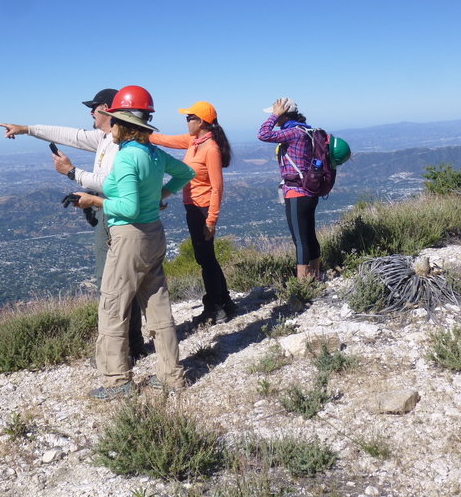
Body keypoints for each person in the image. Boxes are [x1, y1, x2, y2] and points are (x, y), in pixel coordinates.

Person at [0, 89, 148, 361]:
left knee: (111, 283)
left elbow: (111, 186)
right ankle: (131, 343)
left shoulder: (119, 144)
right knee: (122, 281)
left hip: (114, 214)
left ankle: (121, 350)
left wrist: (73, 174)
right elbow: (70, 135)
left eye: (93, 107)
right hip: (109, 211)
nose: (90, 113)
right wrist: (27, 129)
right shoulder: (107, 138)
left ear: (106, 108)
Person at [70, 85, 195, 399]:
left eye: (112, 120)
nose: (109, 126)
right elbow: (185, 172)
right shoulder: (152, 152)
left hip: (130, 236)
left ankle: (117, 381)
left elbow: (126, 207)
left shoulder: (127, 158)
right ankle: (171, 376)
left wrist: (93, 202)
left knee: (112, 307)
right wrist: (160, 196)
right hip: (154, 231)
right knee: (157, 305)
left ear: (123, 123)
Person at [150, 101, 236, 326]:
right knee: (206, 258)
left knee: (205, 258)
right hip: (193, 207)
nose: (186, 121)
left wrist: (211, 220)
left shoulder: (211, 149)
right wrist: (141, 133)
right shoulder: (194, 141)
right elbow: (165, 140)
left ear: (202, 122)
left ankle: (215, 308)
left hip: (203, 209)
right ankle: (224, 302)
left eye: (190, 118)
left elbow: (217, 187)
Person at [257, 97, 321, 279]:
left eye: (276, 115)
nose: (274, 118)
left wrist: (274, 116)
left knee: (299, 239)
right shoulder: (306, 129)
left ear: (284, 114)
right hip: (310, 190)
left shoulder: (293, 132)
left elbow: (263, 134)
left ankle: (302, 283)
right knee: (309, 234)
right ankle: (316, 276)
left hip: (295, 192)